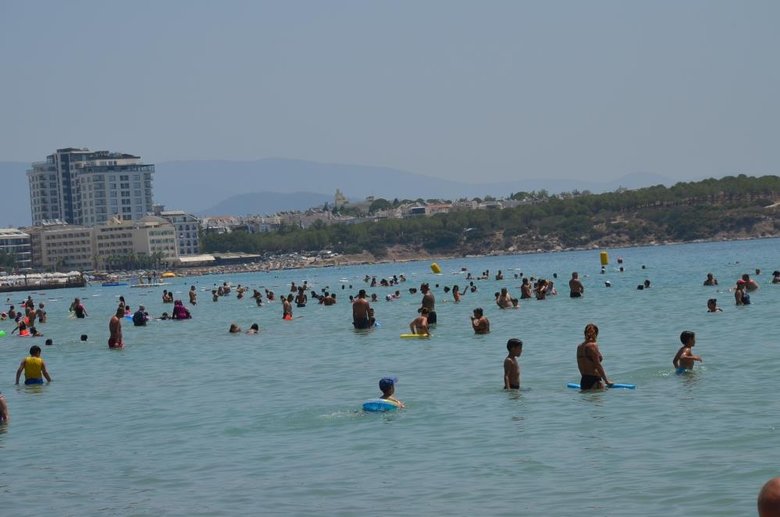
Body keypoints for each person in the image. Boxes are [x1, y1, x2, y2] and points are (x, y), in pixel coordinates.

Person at [576, 323, 612, 390]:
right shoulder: (593, 345)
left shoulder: (579, 347)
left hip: (584, 381)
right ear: (596, 334)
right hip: (595, 381)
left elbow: (579, 365)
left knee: (586, 399)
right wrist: (606, 381)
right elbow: (598, 365)